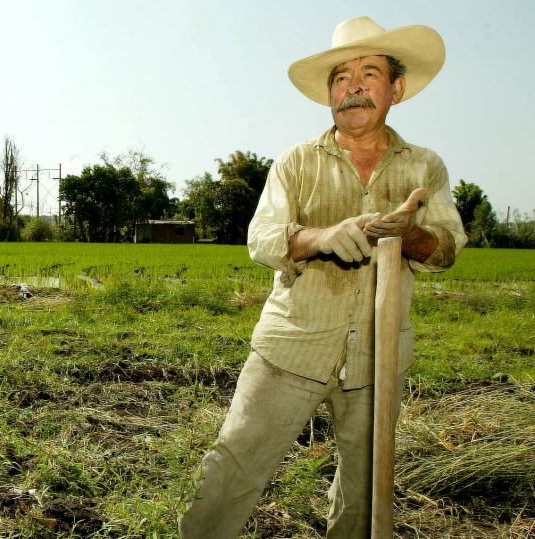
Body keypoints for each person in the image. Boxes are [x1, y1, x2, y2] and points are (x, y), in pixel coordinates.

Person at [176, 16, 467, 539]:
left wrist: (408, 233)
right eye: (341, 76)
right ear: (329, 94)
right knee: (233, 470)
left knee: (364, 490)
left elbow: (447, 247)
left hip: (378, 358)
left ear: (396, 89)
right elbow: (262, 238)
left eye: (370, 73)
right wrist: (319, 237)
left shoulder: (425, 168)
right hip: (291, 347)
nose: (353, 86)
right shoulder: (296, 162)